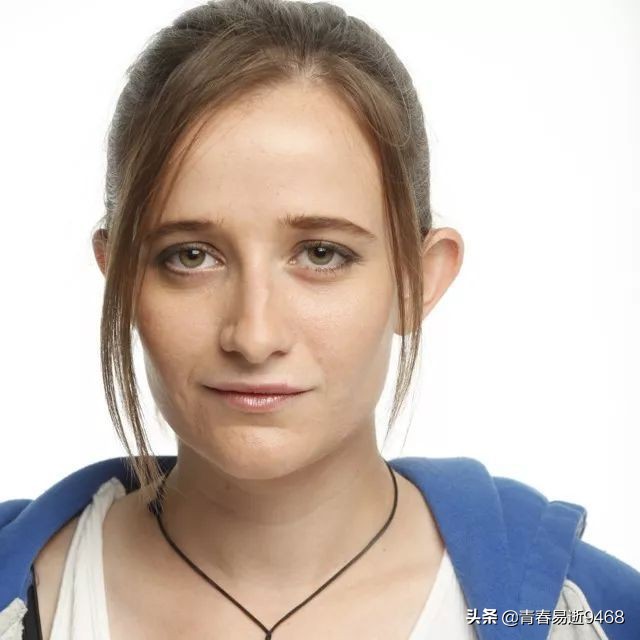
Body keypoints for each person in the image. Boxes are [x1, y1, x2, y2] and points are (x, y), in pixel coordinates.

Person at [0, 1, 638, 639]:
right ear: (118, 275)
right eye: (190, 256)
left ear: (418, 280)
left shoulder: (593, 616)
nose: (254, 337)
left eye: (322, 254)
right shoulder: (27, 599)